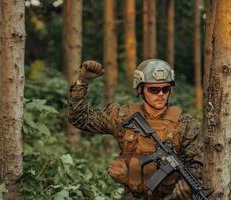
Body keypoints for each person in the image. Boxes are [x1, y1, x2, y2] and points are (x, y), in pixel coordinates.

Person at [68, 59, 203, 200]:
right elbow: (80, 119)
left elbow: (198, 163)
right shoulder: (123, 116)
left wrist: (186, 185)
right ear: (140, 88)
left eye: (166, 89)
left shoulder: (186, 124)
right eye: (154, 89)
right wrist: (82, 81)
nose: (161, 94)